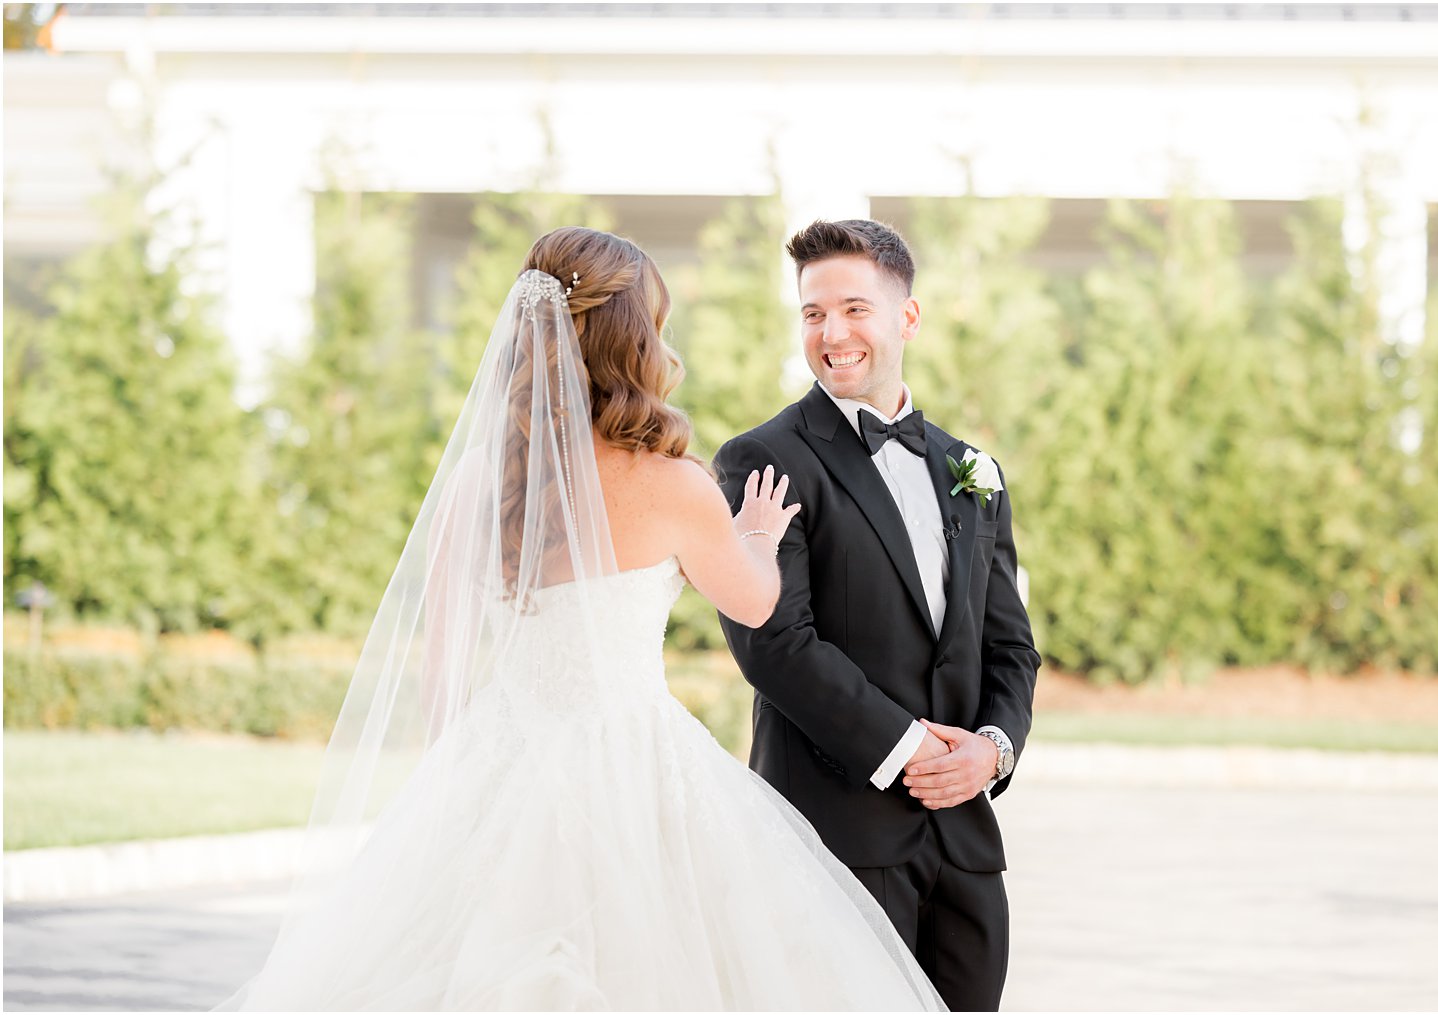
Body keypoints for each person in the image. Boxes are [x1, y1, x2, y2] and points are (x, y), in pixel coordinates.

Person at [218, 227, 943, 1010]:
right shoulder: (673, 485)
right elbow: (756, 601)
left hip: (498, 753)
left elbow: (443, 664)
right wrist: (759, 534)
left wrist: (456, 789)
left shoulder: (475, 483)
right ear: (636, 340)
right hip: (636, 764)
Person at [715, 218, 1041, 1012]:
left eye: (855, 308)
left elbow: (1011, 646)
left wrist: (991, 751)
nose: (832, 333)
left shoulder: (973, 471)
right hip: (837, 838)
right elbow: (774, 643)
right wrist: (908, 748)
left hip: (963, 846)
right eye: (813, 313)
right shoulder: (763, 458)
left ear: (907, 317)